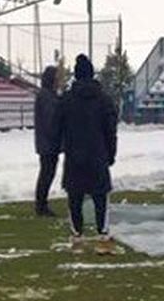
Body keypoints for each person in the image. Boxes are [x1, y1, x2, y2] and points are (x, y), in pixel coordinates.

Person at [52, 54, 118, 253]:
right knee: (100, 197)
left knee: (75, 197)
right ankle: (103, 237)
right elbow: (111, 130)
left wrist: (61, 148)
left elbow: (57, 128)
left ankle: (77, 238)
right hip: (98, 154)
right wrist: (110, 154)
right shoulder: (104, 100)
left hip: (74, 155)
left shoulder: (66, 100)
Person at [33, 65, 61, 217]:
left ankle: (42, 204)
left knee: (47, 173)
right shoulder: (46, 96)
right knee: (47, 173)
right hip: (48, 142)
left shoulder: (48, 95)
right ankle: (41, 205)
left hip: (47, 141)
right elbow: (51, 119)